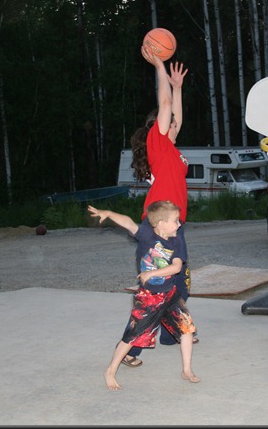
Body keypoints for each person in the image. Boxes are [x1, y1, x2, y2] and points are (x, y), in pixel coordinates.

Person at [123, 44, 196, 368]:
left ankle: (171, 334)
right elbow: (165, 106)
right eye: (171, 123)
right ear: (161, 125)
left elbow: (174, 111)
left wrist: (178, 89)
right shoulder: (158, 140)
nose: (177, 125)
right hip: (157, 228)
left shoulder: (172, 151)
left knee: (180, 284)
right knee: (154, 291)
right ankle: (131, 350)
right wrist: (160, 69)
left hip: (174, 226)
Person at [88, 201, 200, 390]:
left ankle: (187, 370)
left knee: (186, 329)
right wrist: (109, 213)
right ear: (161, 224)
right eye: (175, 221)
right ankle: (110, 370)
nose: (179, 224)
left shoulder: (176, 241)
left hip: (170, 295)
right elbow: (128, 223)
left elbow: (176, 267)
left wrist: (152, 273)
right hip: (149, 298)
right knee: (132, 336)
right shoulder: (147, 236)